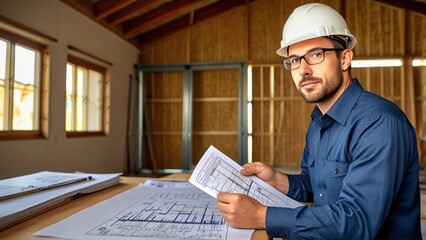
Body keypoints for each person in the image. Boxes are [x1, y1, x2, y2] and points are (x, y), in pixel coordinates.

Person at [216, 2, 421, 239]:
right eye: (294, 60)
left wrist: (261, 216)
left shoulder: (379, 123)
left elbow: (358, 221)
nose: (303, 69)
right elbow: (320, 189)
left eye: (315, 54)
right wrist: (278, 181)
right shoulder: (318, 123)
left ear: (345, 59)